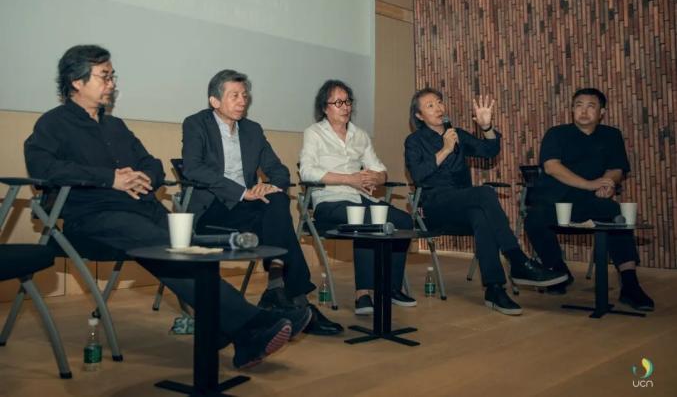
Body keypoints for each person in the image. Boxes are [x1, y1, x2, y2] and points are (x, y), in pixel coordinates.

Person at [24, 45, 311, 369]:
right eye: (105, 76)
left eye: (112, 76)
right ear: (77, 81)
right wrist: (110, 179)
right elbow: (42, 168)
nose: (112, 83)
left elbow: (153, 164)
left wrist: (143, 176)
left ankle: (221, 326)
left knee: (191, 244)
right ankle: (250, 324)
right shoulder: (53, 124)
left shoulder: (115, 127)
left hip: (141, 211)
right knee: (170, 248)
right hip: (92, 219)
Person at [181, 69, 342, 336]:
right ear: (215, 101)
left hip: (246, 211)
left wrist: (269, 185)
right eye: (234, 95)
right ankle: (290, 297)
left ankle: (281, 293)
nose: (242, 101)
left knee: (276, 200)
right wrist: (242, 192)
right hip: (212, 212)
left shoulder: (252, 130)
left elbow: (279, 170)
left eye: (244, 95)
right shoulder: (196, 124)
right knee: (277, 219)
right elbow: (193, 169)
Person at [404, 87, 568, 316]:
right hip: (434, 208)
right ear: (419, 115)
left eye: (439, 102)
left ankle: (494, 288)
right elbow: (418, 175)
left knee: (481, 215)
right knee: (484, 193)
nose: (438, 108)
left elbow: (490, 150)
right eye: (430, 105)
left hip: (463, 206)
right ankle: (517, 260)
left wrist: (486, 127)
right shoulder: (414, 141)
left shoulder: (457, 134)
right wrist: (445, 149)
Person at [524, 88, 654, 310]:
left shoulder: (611, 135)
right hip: (556, 200)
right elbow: (552, 166)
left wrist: (608, 183)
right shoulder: (556, 133)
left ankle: (630, 285)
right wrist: (591, 184)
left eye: (590, 106)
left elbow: (616, 169)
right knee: (533, 219)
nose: (583, 111)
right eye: (579, 105)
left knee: (616, 216)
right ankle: (558, 271)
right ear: (572, 109)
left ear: (601, 112)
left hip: (592, 201)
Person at [299, 79, 416, 315]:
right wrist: (348, 179)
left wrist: (377, 178)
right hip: (329, 201)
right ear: (325, 108)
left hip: (361, 198)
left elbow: (380, 169)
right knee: (365, 221)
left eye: (348, 102)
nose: (345, 107)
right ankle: (362, 293)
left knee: (403, 221)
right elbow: (307, 172)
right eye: (338, 103)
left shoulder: (359, 135)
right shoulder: (314, 133)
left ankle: (391, 288)